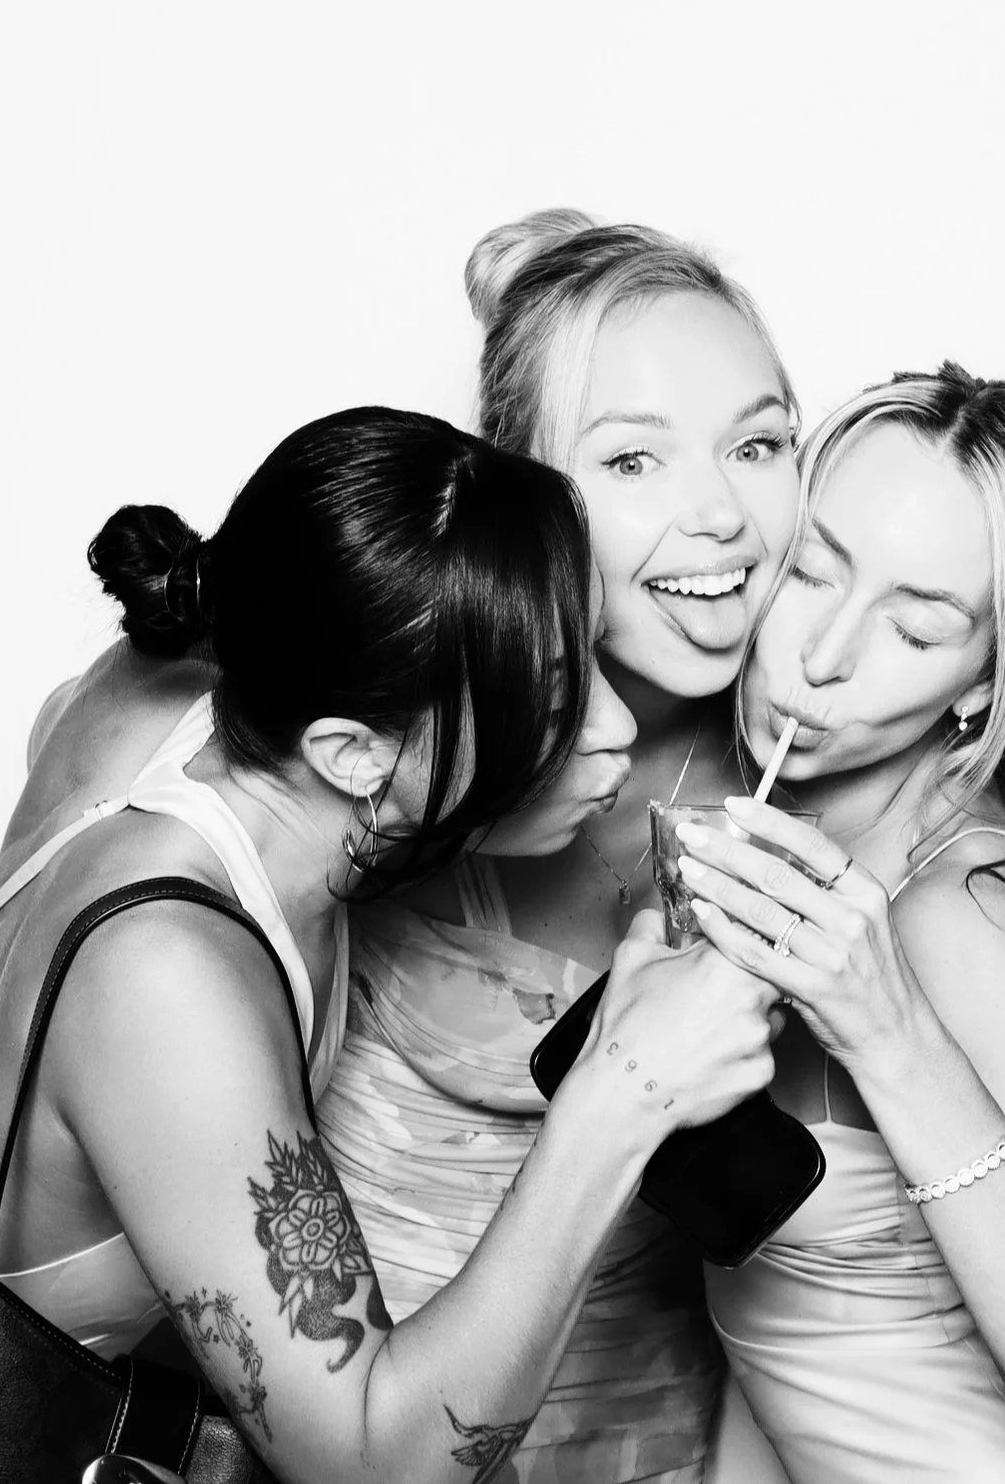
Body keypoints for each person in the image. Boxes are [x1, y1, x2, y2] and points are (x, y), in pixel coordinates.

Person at [0, 407, 782, 1484]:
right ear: (355, 755)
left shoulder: (200, 719)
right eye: (555, 696)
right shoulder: (170, 981)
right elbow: (370, 1463)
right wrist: (618, 1098)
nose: (616, 729)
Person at [315, 210, 806, 1484]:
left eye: (757, 444)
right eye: (634, 463)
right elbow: (65, 905)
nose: (719, 516)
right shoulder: (390, 726)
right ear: (513, 486)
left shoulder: (825, 768)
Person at [670, 368, 1005, 1484]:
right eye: (810, 570)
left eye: (914, 628)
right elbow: (789, 1346)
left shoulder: (961, 911)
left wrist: (889, 1033)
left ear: (978, 678)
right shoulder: (742, 830)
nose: (824, 656)